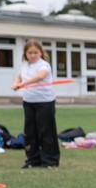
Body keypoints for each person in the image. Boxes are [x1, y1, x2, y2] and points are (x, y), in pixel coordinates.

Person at [11, 39, 60, 169]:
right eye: (30, 53)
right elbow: (20, 76)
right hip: (28, 101)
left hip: (45, 102)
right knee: (30, 132)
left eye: (35, 52)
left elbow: (40, 76)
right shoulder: (25, 65)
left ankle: (50, 161)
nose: (32, 55)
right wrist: (17, 83)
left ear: (40, 53)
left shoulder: (44, 65)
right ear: (25, 54)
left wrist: (23, 84)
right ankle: (32, 160)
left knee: (46, 131)